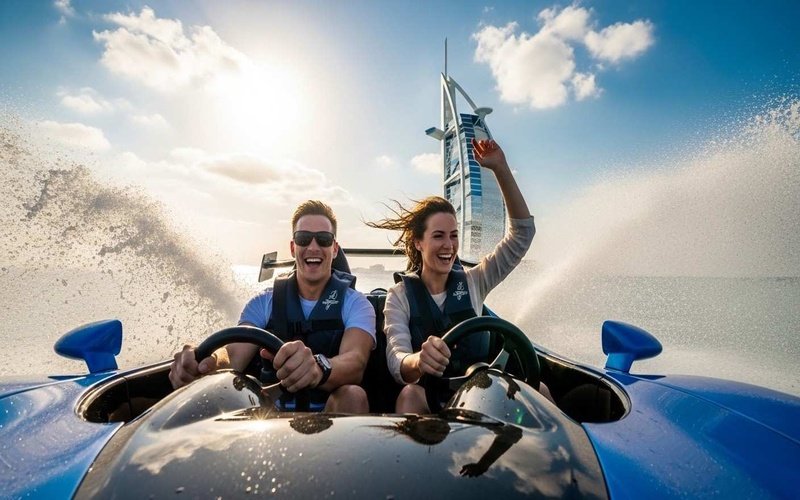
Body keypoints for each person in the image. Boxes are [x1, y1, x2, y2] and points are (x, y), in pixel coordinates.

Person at [368, 138, 535, 413]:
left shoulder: (475, 281)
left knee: (539, 393)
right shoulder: (399, 296)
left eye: (453, 236)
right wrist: (419, 360)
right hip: (428, 404)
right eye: (438, 236)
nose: (448, 245)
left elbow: (522, 236)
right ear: (418, 242)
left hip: (479, 401)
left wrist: (501, 168)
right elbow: (397, 360)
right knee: (409, 395)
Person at [169, 200, 376, 413]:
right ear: (293, 247)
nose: (313, 247)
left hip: (330, 420)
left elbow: (355, 362)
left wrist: (317, 368)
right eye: (303, 238)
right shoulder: (263, 303)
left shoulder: (357, 304)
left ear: (334, 249)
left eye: (323, 239)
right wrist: (208, 362)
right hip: (269, 421)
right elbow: (232, 356)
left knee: (354, 395)